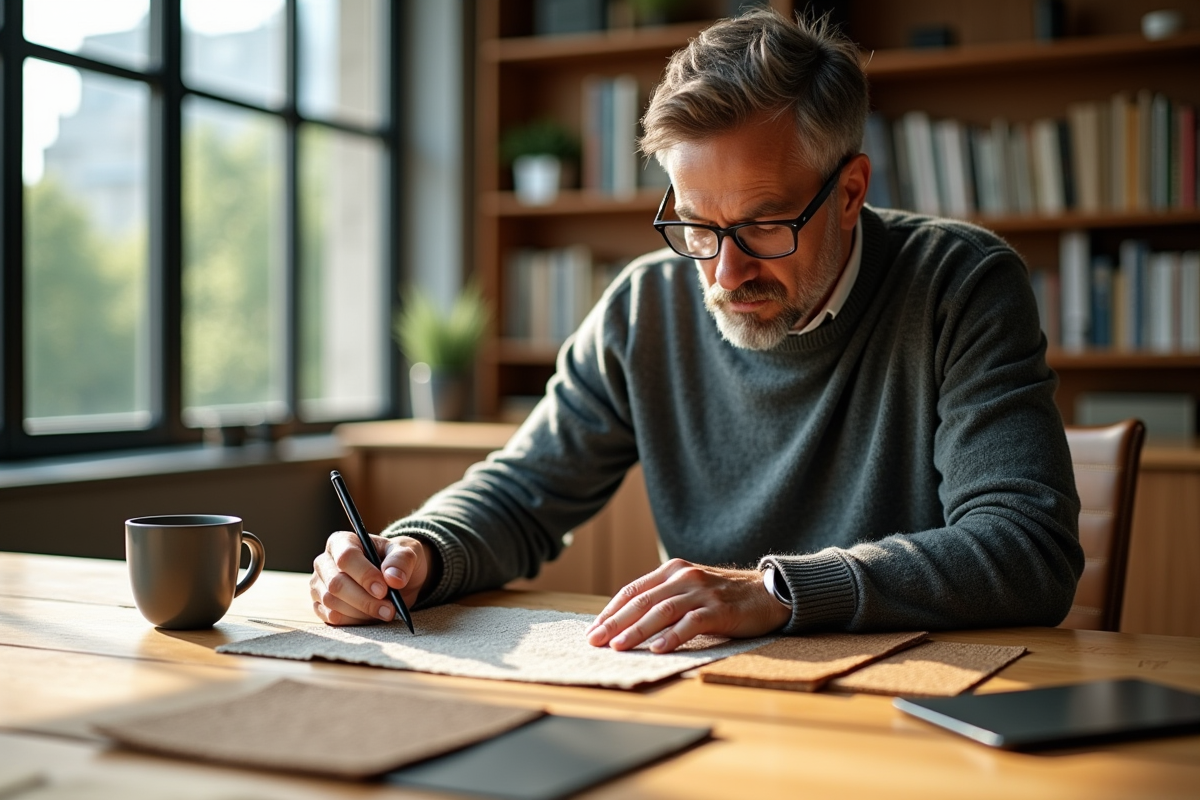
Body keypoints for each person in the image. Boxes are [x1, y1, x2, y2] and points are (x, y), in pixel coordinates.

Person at [311, 9, 1082, 653]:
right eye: (695, 227)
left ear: (849, 194)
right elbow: (523, 492)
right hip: (708, 693)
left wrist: (778, 590)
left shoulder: (961, 284)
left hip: (909, 703)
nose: (722, 274)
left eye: (762, 226)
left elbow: (1026, 549)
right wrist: (416, 552)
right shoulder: (645, 305)